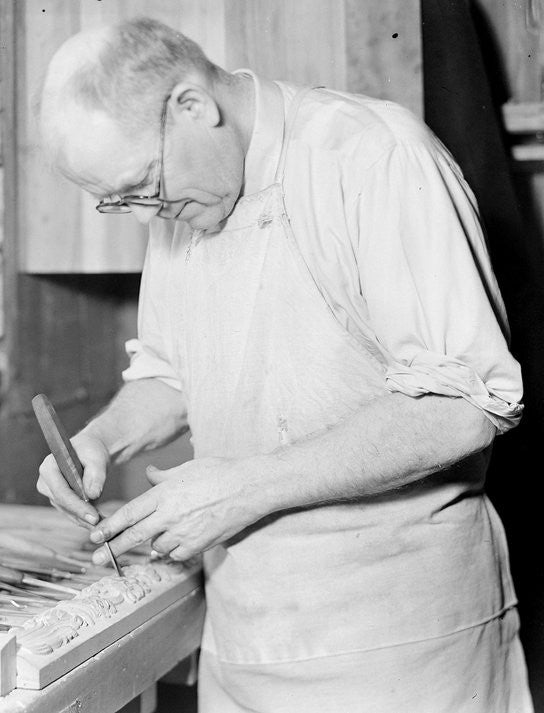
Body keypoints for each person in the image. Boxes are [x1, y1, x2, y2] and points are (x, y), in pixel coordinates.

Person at [35, 17, 532, 713]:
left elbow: (464, 408)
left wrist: (243, 489)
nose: (145, 214)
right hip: (247, 638)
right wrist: (101, 439)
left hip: (398, 646)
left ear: (192, 106)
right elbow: (171, 372)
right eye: (119, 201)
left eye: (141, 186)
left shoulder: (370, 156)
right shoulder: (181, 202)